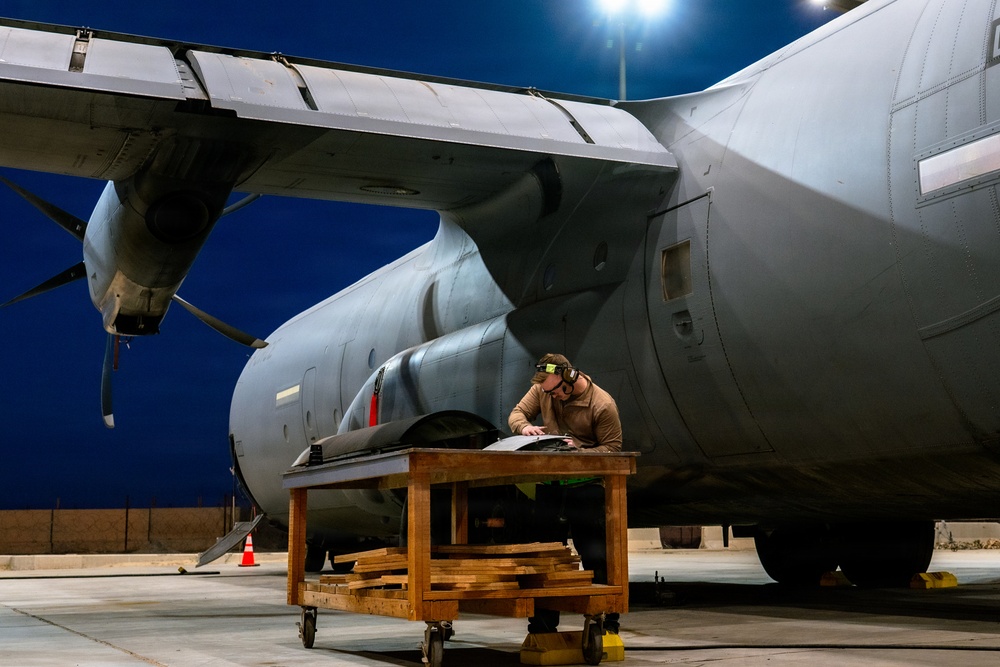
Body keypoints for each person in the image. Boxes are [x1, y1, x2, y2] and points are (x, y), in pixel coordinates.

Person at [508, 353, 623, 634]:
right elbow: (517, 413)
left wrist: (581, 453)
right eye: (547, 392)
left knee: (595, 555)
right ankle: (542, 625)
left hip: (585, 488)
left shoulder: (602, 404)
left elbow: (613, 449)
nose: (552, 397)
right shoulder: (544, 389)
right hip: (551, 486)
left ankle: (605, 620)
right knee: (546, 558)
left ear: (570, 377)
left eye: (556, 390)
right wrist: (525, 427)